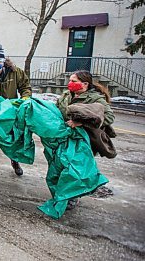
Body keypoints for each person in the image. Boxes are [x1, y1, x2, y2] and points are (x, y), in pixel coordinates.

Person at [56, 70, 115, 209]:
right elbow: (57, 108)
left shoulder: (95, 98)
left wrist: (82, 122)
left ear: (85, 84)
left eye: (74, 81)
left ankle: (73, 196)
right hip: (67, 136)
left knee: (77, 168)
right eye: (70, 80)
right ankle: (64, 192)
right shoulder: (66, 95)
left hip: (85, 139)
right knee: (64, 165)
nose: (70, 83)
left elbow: (109, 117)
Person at [0, 44, 32, 182]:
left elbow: (25, 87)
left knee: (14, 139)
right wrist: (2, 105)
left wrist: (25, 98)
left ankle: (15, 161)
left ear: (4, 62)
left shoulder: (16, 72)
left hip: (13, 112)